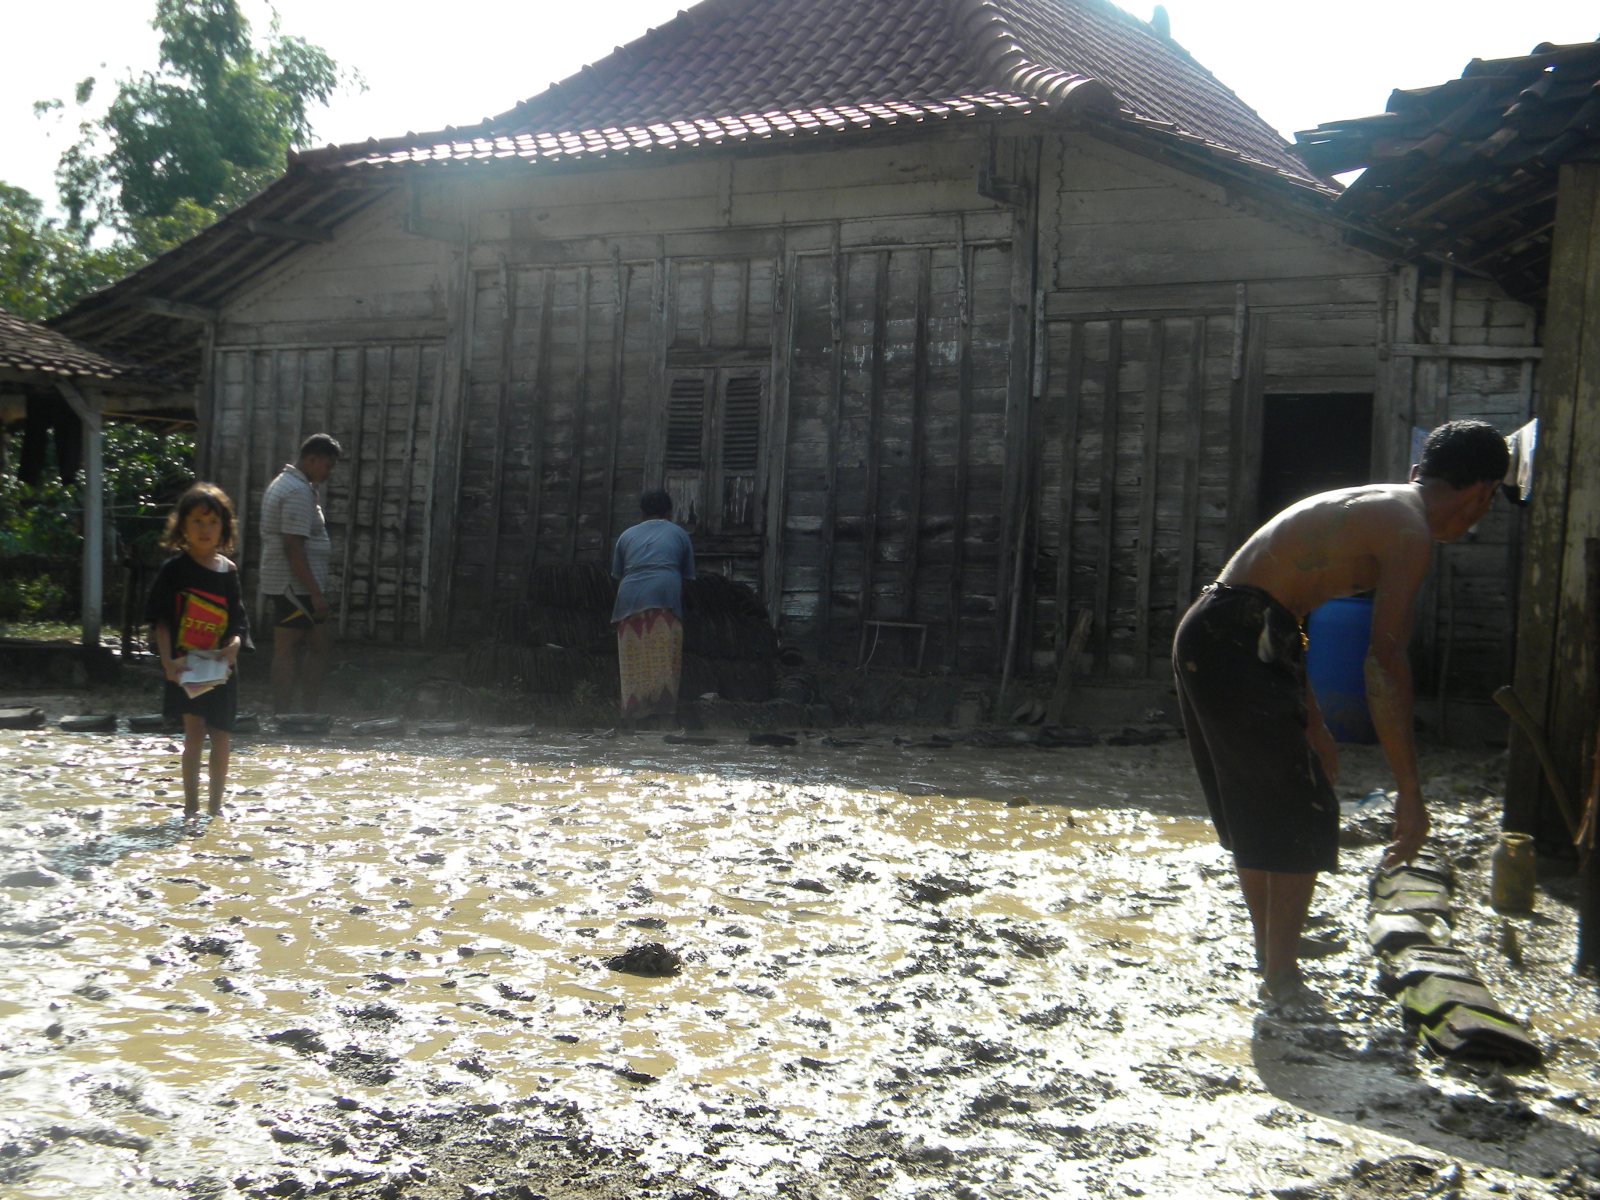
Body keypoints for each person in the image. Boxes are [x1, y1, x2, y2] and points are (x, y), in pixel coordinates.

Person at [1173, 419, 1509, 1007]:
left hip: (1224, 629)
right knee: (1300, 805)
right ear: (1481, 493)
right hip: (1239, 634)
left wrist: (1313, 721)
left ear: (1418, 473)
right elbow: (1384, 662)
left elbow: (1284, 607)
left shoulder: (1383, 504)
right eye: (1485, 504)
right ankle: (1280, 977)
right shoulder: (1410, 532)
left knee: (1267, 799)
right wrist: (1409, 790)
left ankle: (1272, 957)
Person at [145, 483, 250, 819]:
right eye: (197, 522)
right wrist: (167, 661)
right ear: (183, 527)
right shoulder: (174, 571)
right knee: (194, 733)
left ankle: (215, 808)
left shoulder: (229, 572)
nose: (205, 530)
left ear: (224, 527)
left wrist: (233, 647)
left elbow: (237, 622)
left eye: (212, 523)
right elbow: (160, 620)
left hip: (220, 668)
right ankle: (191, 807)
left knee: (221, 734)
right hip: (186, 665)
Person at [258, 433, 341, 714]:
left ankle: (303, 714)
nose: (328, 473)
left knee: (315, 646)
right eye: (327, 466)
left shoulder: (295, 485)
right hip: (294, 587)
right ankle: (289, 715)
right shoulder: (296, 491)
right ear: (311, 459)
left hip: (296, 586)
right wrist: (315, 594)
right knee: (291, 648)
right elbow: (293, 546)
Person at [611, 489, 696, 728]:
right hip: (664, 594)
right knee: (664, 659)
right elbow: (688, 578)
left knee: (632, 659)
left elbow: (618, 574)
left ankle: (630, 720)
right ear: (669, 512)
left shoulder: (626, 535)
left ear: (641, 513)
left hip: (629, 598)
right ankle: (665, 718)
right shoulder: (679, 534)